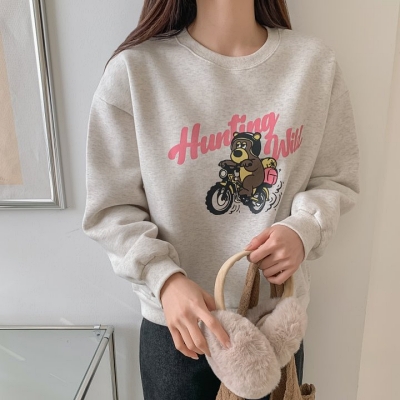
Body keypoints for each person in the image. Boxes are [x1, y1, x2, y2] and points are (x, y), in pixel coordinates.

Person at [82, 0, 360, 399]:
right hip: (179, 332)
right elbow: (111, 208)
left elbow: (335, 177)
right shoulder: (135, 72)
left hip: (272, 327)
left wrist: (304, 230)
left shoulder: (313, 65)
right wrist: (165, 280)